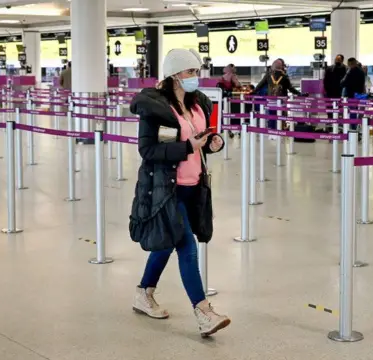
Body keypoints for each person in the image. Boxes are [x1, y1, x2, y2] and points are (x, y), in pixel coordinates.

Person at [129, 48, 230, 338]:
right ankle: (204, 313)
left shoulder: (198, 103)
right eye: (189, 72)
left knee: (166, 242)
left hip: (194, 187)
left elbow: (205, 136)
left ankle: (143, 292)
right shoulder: (156, 108)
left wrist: (214, 142)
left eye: (197, 72)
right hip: (167, 188)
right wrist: (188, 147)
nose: (195, 78)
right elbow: (148, 150)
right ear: (174, 74)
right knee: (187, 246)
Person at [252, 59, 301, 130]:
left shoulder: (268, 75)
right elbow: (291, 89)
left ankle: (272, 132)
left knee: (271, 117)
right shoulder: (284, 76)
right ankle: (280, 131)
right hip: (282, 101)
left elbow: (260, 85)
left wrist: (252, 92)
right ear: (281, 66)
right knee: (281, 117)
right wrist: (300, 93)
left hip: (271, 101)